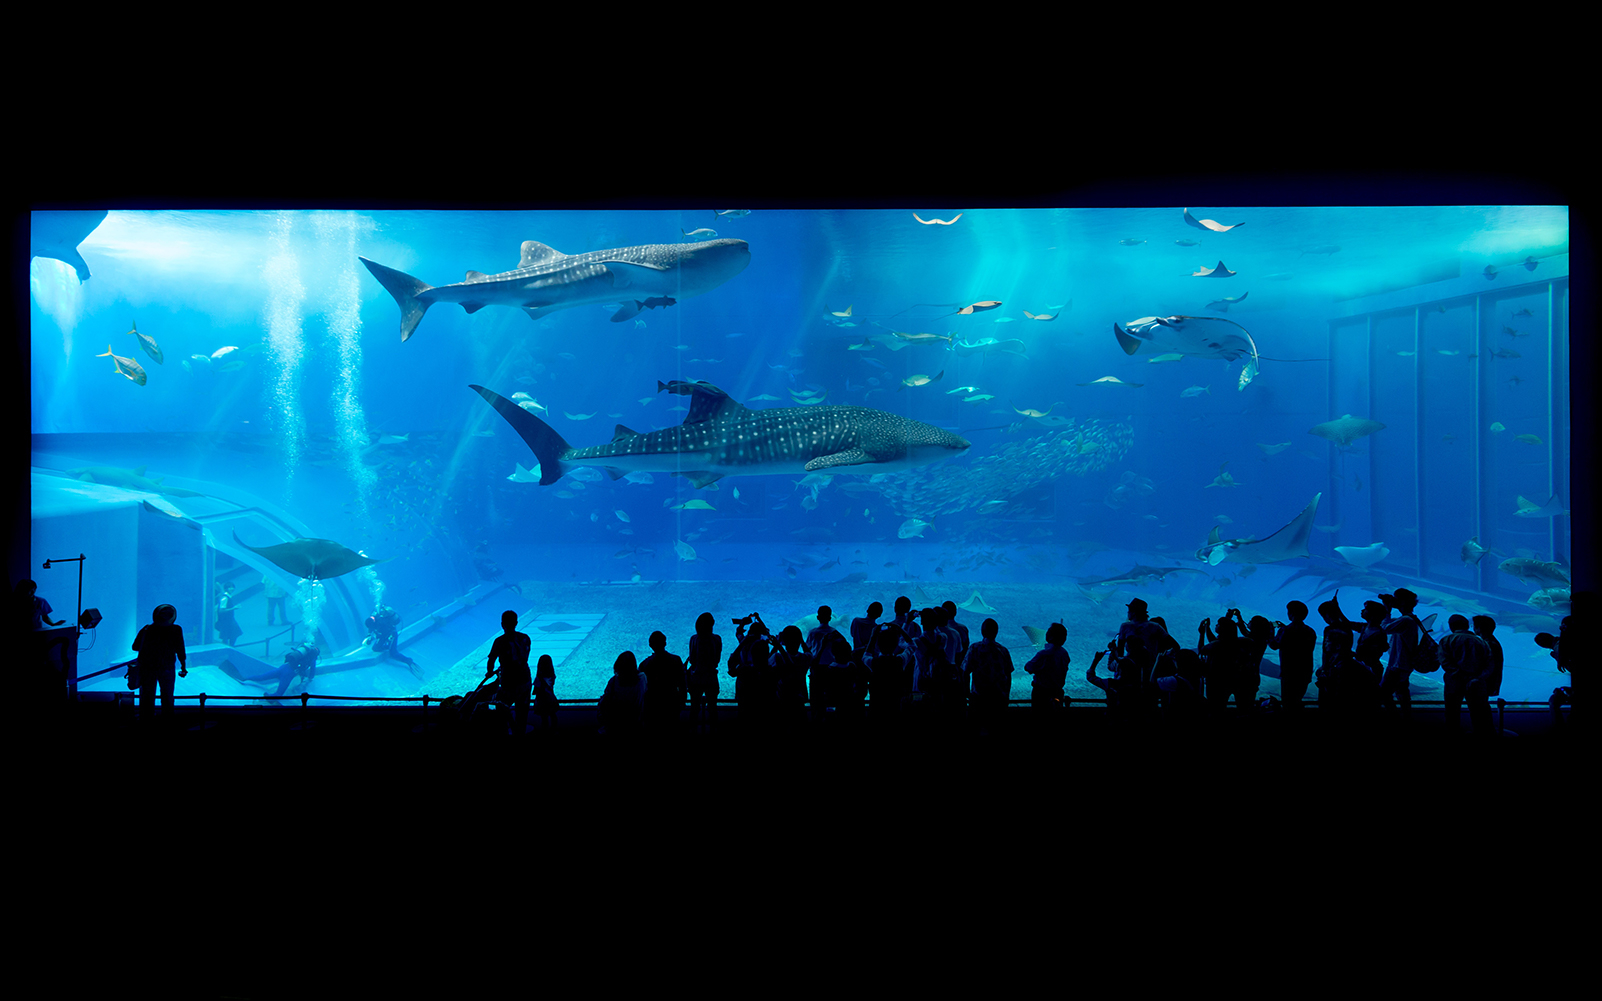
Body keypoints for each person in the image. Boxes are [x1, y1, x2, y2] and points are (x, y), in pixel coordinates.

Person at [1438, 614, 1493, 736]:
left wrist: (1460, 675)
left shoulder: (1446, 640)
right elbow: (1489, 664)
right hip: (1476, 683)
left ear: (1451, 626)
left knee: (1452, 712)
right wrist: (1477, 678)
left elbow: (1445, 662)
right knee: (1478, 713)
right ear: (1468, 626)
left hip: (1454, 682)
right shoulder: (1481, 642)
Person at [1375, 588, 1425, 722]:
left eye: (1396, 599)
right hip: (1403, 664)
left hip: (1398, 665)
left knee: (1384, 693)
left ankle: (1395, 719)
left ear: (1402, 602)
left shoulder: (1406, 620)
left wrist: (1387, 609)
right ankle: (1407, 719)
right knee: (1402, 692)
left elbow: (1384, 628)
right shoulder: (1409, 619)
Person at [132, 603, 187, 722]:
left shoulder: (147, 629)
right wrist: (183, 665)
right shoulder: (176, 629)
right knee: (167, 696)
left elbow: (135, 647)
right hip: (167, 668)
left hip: (148, 668)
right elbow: (180, 649)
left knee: (147, 696)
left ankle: (146, 721)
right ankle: (167, 722)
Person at [962, 617, 1014, 735]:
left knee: (975, 728)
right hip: (998, 697)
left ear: (982, 632)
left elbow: (965, 671)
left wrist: (966, 692)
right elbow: (1008, 674)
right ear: (996, 632)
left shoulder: (974, 648)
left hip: (978, 696)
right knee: (996, 728)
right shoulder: (1003, 650)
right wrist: (1007, 695)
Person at [485, 610, 532, 736]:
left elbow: (491, 660)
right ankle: (519, 733)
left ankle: (505, 733)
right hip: (525, 679)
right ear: (516, 623)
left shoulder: (499, 641)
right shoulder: (525, 638)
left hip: (509, 681)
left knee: (502, 708)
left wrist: (489, 672)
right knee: (522, 712)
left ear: (502, 624)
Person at [727, 614, 772, 731]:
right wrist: (759, 619)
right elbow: (767, 633)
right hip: (758, 678)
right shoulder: (762, 643)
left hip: (743, 677)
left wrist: (742, 623)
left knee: (742, 707)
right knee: (759, 708)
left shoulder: (744, 642)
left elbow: (738, 633)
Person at [1273, 601, 1317, 712]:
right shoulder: (1310, 631)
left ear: (1291, 613)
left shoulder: (1285, 631)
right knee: (1297, 700)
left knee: (1287, 703)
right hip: (1304, 672)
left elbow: (1274, 645)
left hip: (1289, 672)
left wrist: (1270, 632)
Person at [1023, 622, 1071, 722]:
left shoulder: (1043, 654)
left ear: (1048, 636)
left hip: (1041, 694)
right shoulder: (1064, 654)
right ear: (1064, 639)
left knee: (1039, 718)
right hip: (1057, 692)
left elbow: (1028, 667)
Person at [639, 630, 686, 732]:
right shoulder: (676, 660)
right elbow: (682, 683)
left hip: (652, 704)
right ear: (665, 643)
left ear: (650, 645)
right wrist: (683, 700)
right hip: (671, 701)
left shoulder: (645, 664)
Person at [686, 612, 723, 732]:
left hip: (696, 678)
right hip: (711, 677)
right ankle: (714, 731)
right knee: (713, 708)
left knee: (694, 708)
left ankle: (692, 731)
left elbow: (692, 659)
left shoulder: (694, 639)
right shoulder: (717, 639)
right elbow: (717, 660)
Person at [598, 650, 646, 735]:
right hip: (636, 724)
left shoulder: (613, 682)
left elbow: (605, 701)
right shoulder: (642, 679)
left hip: (616, 725)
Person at [367, 604, 419, 675]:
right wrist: (369, 635)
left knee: (393, 653)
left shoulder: (380, 622)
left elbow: (385, 632)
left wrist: (376, 637)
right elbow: (372, 628)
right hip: (384, 635)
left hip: (392, 635)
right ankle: (388, 646)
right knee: (375, 648)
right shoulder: (373, 619)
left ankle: (408, 661)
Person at [1471, 615, 1503, 702]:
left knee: (1480, 707)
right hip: (1486, 681)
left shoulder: (1489, 644)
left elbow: (1488, 665)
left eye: (1474, 626)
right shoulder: (1491, 641)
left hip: (1484, 682)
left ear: (1479, 628)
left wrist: (1476, 678)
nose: (1473, 628)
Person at [533, 654, 558, 729]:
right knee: (552, 715)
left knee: (544, 718)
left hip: (542, 699)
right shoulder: (551, 677)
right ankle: (554, 730)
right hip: (550, 698)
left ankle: (545, 732)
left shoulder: (540, 678)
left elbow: (536, 690)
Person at [215, 582, 242, 647]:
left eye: (232, 587)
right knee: (232, 634)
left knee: (229, 635)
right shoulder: (225, 598)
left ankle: (229, 646)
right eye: (230, 587)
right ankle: (229, 647)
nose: (232, 589)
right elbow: (221, 610)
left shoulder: (228, 597)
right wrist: (233, 608)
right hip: (226, 620)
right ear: (226, 589)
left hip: (229, 619)